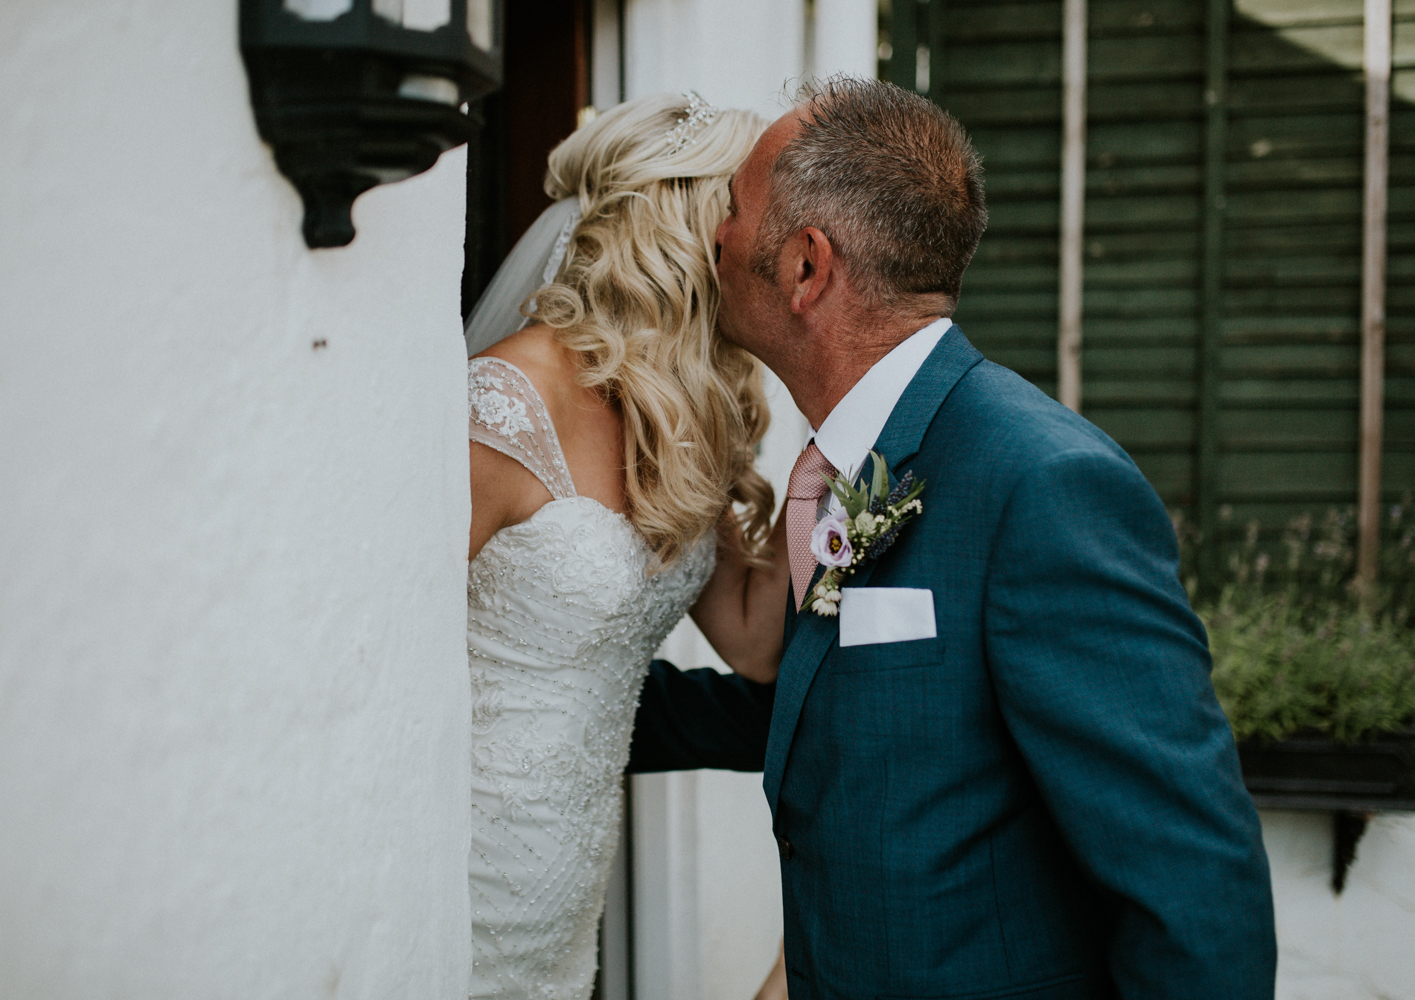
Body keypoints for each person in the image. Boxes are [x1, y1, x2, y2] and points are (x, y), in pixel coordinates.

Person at [628, 78, 1278, 999]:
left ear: (806, 267)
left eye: (730, 209)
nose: (712, 237)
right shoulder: (836, 471)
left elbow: (1195, 881)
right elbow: (844, 705)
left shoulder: (1043, 484)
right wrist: (570, 699)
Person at [463, 93, 790, 1000]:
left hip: (568, 864)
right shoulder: (504, 404)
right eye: (749, 210)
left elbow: (755, 641)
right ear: (685, 224)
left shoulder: (682, 413)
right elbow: (381, 644)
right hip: (466, 836)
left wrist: (834, 461)